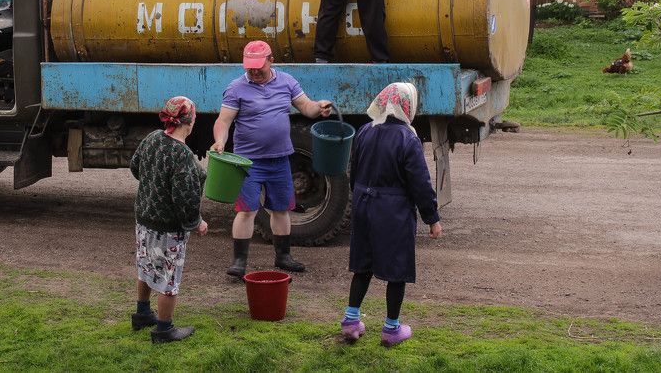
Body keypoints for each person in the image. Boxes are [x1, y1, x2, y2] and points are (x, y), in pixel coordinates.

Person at [212, 40, 333, 277]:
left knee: (281, 209)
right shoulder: (236, 88)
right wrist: (220, 140)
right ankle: (239, 262)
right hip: (248, 162)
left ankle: (283, 257)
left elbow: (306, 107)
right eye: (250, 68)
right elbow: (224, 121)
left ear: (271, 61)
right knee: (246, 211)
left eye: (260, 67)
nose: (255, 72)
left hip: (279, 159)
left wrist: (320, 107)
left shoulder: (287, 82)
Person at [341, 82, 441, 347]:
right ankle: (391, 329)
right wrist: (432, 217)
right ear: (408, 106)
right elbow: (420, 183)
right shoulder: (407, 138)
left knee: (362, 264)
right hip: (393, 210)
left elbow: (354, 170)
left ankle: (351, 322)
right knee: (397, 269)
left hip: (364, 204)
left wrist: (359, 197)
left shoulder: (364, 131)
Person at [130, 96, 208, 343]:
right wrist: (197, 222)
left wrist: (154, 183)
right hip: (167, 230)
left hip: (144, 220)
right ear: (190, 121)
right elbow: (185, 199)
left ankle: (142, 314)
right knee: (168, 280)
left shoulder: (152, 138)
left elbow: (135, 167)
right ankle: (164, 329)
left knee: (145, 268)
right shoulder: (182, 154)